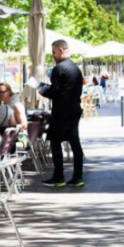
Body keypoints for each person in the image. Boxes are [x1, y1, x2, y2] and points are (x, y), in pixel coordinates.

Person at [39, 40, 84, 188]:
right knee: (75, 143)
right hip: (74, 110)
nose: (53, 55)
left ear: (62, 50)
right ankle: (78, 177)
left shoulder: (58, 69)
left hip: (61, 112)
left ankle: (59, 177)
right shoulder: (76, 69)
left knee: (55, 143)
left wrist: (43, 90)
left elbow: (55, 92)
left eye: (54, 52)